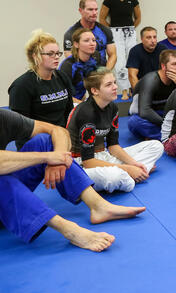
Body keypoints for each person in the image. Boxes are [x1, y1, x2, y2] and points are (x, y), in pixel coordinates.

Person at [0, 109, 145, 251]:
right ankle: (69, 230)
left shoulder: (4, 118)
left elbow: (58, 130)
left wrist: (58, 157)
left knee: (46, 140)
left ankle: (98, 206)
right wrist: (47, 157)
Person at [67, 68, 164, 192]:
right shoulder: (86, 113)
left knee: (156, 146)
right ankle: (133, 174)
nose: (115, 87)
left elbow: (113, 146)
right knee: (119, 179)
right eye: (109, 85)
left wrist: (134, 164)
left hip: (103, 156)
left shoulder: (112, 107)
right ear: (95, 90)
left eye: (114, 82)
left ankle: (137, 172)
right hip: (81, 164)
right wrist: (128, 169)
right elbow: (88, 162)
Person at [9, 30, 75, 148]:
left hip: (62, 139)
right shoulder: (22, 86)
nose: (56, 57)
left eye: (57, 53)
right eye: (50, 54)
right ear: (36, 56)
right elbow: (20, 126)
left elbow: (69, 112)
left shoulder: (62, 78)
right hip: (36, 143)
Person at [99, 0, 141, 99]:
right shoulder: (109, 0)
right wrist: (111, 30)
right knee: (120, 60)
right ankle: (124, 90)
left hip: (130, 31)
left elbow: (138, 17)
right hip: (115, 32)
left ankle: (134, 88)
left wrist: (131, 28)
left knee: (132, 57)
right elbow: (101, 18)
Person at [127, 50, 176, 140]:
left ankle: (161, 136)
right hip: (147, 116)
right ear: (163, 66)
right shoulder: (150, 80)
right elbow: (145, 111)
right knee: (134, 122)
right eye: (174, 64)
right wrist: (168, 124)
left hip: (165, 114)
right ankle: (173, 137)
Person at [63, 0, 116, 70]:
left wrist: (105, 73)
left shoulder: (105, 30)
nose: (94, 13)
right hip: (81, 75)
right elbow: (69, 59)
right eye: (90, 9)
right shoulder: (70, 33)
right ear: (81, 11)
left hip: (101, 73)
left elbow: (113, 55)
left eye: (96, 9)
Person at [58, 28, 102, 101]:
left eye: (94, 40)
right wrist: (84, 105)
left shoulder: (96, 57)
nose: (92, 43)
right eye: (86, 41)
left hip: (81, 99)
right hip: (66, 103)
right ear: (76, 44)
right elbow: (63, 96)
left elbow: (96, 84)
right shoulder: (68, 66)